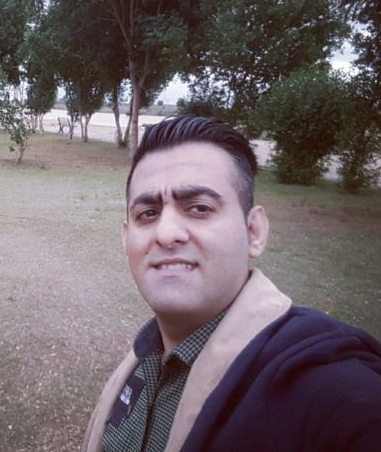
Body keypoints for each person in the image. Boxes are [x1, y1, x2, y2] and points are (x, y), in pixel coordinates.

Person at [82, 116, 381, 452]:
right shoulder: (142, 361)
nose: (166, 233)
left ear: (254, 232)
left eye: (199, 208)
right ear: (127, 240)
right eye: (148, 214)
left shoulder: (327, 390)